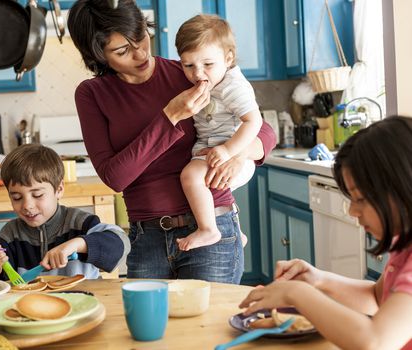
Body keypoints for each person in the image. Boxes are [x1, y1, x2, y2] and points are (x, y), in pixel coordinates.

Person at [67, 0, 276, 284]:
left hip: (212, 227)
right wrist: (170, 116)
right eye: (122, 50)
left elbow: (264, 130)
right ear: (98, 54)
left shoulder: (190, 71)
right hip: (147, 238)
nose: (140, 53)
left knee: (211, 327)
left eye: (141, 37)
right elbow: (115, 177)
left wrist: (237, 154)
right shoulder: (93, 94)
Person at [240, 116, 412, 349]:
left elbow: (374, 342)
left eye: (360, 199)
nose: (353, 211)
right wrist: (318, 280)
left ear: (401, 189)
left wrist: (296, 293)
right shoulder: (403, 244)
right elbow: (375, 297)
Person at [0, 144, 130, 280]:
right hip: (30, 308)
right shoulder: (10, 234)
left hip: (83, 303)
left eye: (37, 195)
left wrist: (78, 244)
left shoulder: (79, 223)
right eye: (16, 197)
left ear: (59, 189)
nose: (27, 205)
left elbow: (121, 243)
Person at [174, 14, 262, 251]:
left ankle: (208, 230)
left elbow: (254, 121)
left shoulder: (232, 86)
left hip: (232, 154)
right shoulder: (207, 83)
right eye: (188, 65)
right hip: (214, 151)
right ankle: (236, 232)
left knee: (191, 177)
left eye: (208, 65)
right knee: (209, 187)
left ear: (228, 58)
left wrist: (229, 151)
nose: (198, 74)